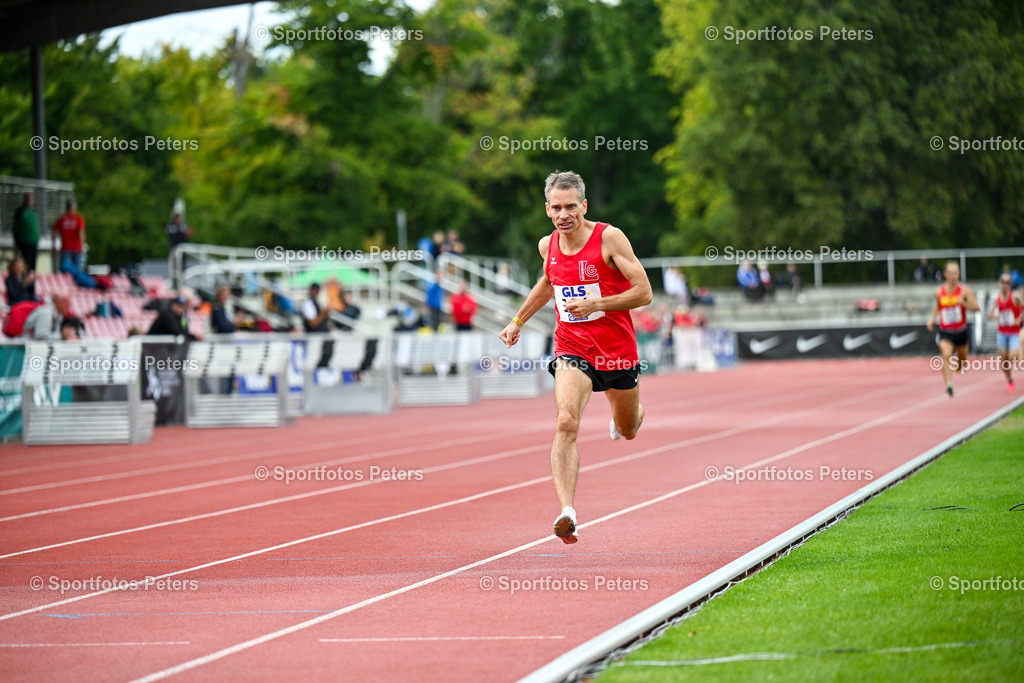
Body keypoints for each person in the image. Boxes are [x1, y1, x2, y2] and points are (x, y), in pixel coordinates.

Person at [499, 171, 652, 545]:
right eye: (556, 207)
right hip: (573, 348)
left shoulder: (608, 238)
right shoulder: (547, 245)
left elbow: (644, 292)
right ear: (547, 208)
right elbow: (549, 283)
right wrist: (518, 319)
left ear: (584, 206)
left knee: (628, 429)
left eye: (571, 206)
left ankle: (630, 416)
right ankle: (567, 511)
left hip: (617, 352)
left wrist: (598, 304)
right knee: (566, 423)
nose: (563, 214)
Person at [926, 262, 980, 397]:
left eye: (955, 273)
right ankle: (949, 383)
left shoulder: (965, 290)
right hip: (946, 331)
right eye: (950, 273)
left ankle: (958, 366)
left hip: (961, 331)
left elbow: (977, 308)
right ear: (945, 274)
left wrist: (965, 303)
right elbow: (939, 306)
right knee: (945, 353)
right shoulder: (939, 292)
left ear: (959, 274)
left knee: (962, 361)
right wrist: (932, 319)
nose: (953, 276)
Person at [988, 273, 1023, 393]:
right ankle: (1010, 382)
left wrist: (1020, 318)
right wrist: (996, 316)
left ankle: (1018, 355)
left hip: (1013, 332)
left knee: (1011, 357)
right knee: (1004, 361)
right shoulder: (996, 298)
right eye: (1003, 282)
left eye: (1007, 282)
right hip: (1002, 332)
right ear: (999, 283)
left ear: (1010, 284)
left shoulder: (1015, 297)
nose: (1005, 285)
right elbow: (990, 315)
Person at [54, 199, 86, 273]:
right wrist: (82, 245)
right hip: (77, 247)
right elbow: (81, 233)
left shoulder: (61, 219)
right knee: (77, 271)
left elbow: (54, 233)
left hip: (65, 248)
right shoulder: (78, 219)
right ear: (73, 208)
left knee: (66, 270)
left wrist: (54, 245)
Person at [13, 192, 39, 272]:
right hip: (24, 242)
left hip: (33, 242)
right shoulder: (20, 211)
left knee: (33, 266)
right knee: (25, 265)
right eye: (28, 199)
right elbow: (15, 227)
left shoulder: (33, 211)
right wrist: (17, 242)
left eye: (31, 199)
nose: (29, 201)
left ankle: (31, 282)